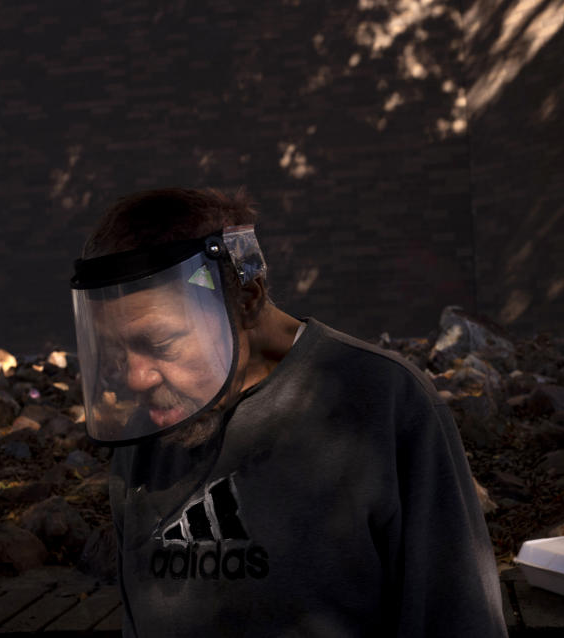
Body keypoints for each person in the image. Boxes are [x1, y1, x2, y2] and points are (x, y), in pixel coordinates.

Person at [69, 187, 508, 637]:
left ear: (249, 295)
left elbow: (456, 617)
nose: (136, 379)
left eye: (159, 343)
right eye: (116, 352)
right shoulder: (149, 427)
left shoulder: (378, 401)